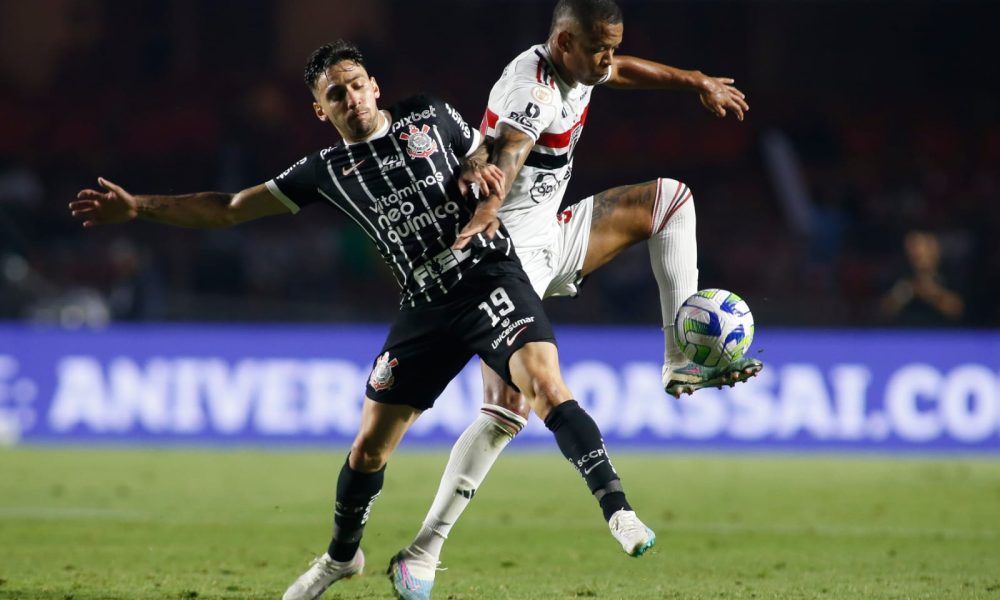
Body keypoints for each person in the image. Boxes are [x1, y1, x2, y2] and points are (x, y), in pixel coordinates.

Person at [68, 40, 655, 600]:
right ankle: (342, 557)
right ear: (321, 110)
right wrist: (139, 207)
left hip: (489, 276)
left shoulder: (428, 114)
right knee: (368, 450)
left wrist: (483, 169)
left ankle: (618, 509)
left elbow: (492, 144)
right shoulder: (321, 171)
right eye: (336, 96)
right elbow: (229, 209)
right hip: (424, 306)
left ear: (374, 86)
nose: (351, 100)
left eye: (356, 86)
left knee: (545, 385)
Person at [389, 1, 763, 598]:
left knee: (670, 200)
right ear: (564, 43)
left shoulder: (583, 67)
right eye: (600, 49)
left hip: (553, 234)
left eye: (613, 46)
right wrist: (487, 208)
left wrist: (694, 80)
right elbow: (509, 151)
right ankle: (424, 551)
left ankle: (681, 355)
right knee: (507, 410)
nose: (609, 60)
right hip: (502, 253)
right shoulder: (529, 89)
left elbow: (626, 71)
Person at [881, 229, 964, 325]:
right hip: (905, 333)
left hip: (944, 334)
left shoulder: (950, 273)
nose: (916, 253)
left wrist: (932, 294)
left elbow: (958, 311)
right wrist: (900, 295)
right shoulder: (899, 273)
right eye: (911, 248)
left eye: (920, 247)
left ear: (934, 248)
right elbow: (883, 311)